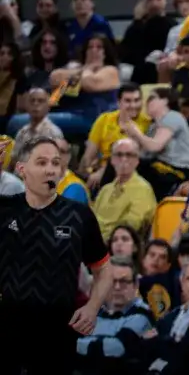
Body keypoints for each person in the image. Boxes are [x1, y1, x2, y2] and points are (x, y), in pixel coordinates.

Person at [0, 137, 111, 375]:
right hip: (7, 326)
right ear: (21, 170)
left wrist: (92, 307)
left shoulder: (79, 215)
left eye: (56, 163)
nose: (50, 169)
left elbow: (103, 269)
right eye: (41, 162)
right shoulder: (5, 208)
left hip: (57, 331)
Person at [75, 255, 155, 375]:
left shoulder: (142, 315)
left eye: (123, 281)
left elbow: (117, 348)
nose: (117, 287)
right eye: (112, 281)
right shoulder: (95, 313)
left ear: (135, 285)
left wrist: (87, 345)